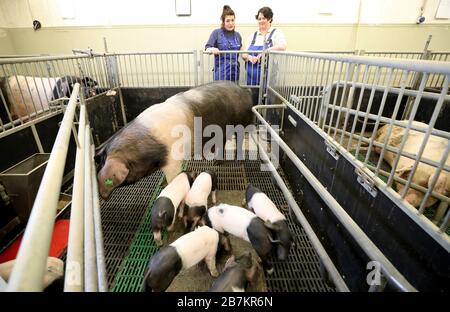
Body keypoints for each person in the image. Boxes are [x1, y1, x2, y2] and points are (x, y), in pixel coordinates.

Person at [242, 7, 287, 86]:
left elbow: (282, 46)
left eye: (264, 18)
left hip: (268, 80)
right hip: (251, 80)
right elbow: (243, 53)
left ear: (270, 19)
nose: (261, 21)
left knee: (268, 98)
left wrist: (265, 52)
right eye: (259, 19)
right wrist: (249, 58)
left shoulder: (276, 33)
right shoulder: (253, 36)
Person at [205, 5, 242, 82]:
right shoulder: (216, 33)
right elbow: (207, 48)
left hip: (234, 71)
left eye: (232, 20)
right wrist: (212, 49)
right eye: (228, 21)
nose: (231, 23)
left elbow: (242, 49)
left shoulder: (238, 35)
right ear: (223, 22)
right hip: (221, 72)